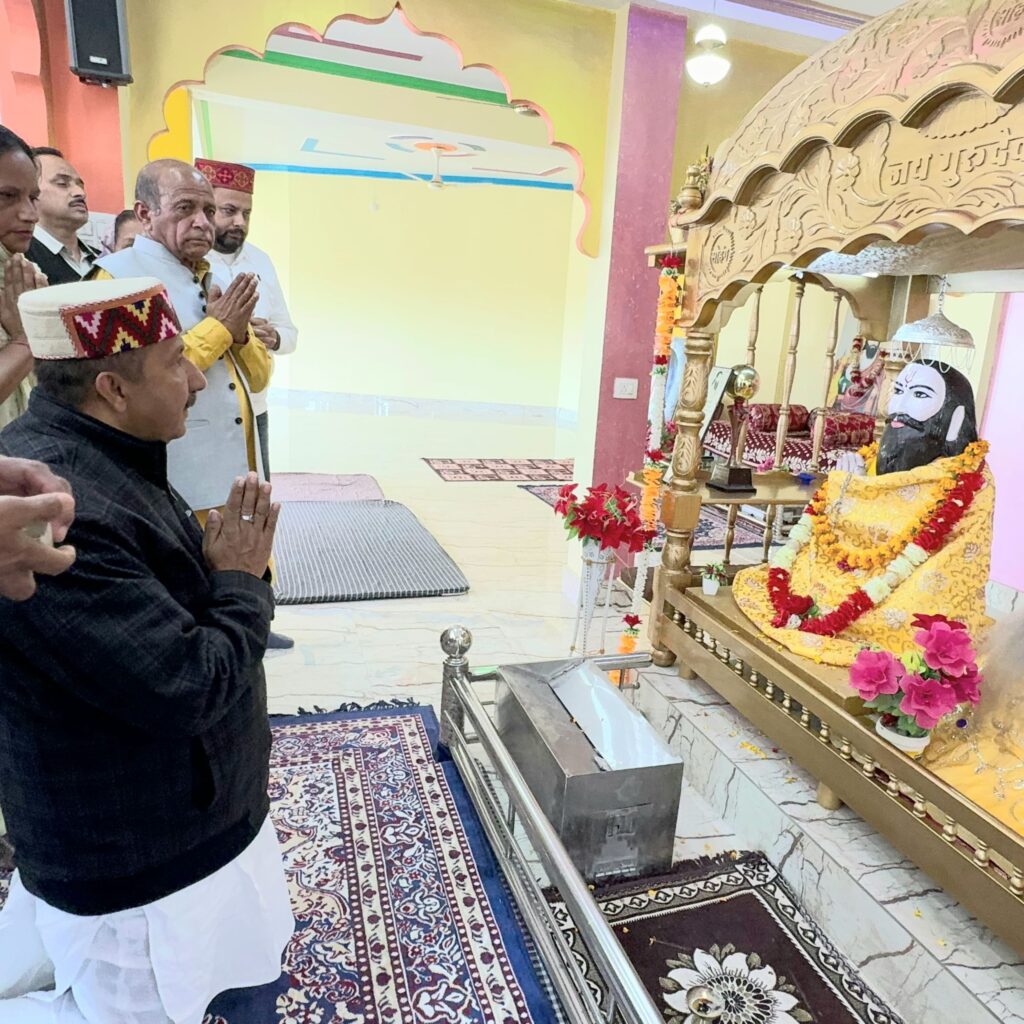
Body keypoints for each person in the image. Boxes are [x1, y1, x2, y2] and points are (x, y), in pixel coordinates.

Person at [0, 276, 293, 1023]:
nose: (196, 378)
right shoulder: (57, 510)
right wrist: (241, 579)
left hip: (178, 831)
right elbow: (186, 686)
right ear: (112, 389)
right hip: (140, 872)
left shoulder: (106, 456)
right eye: (175, 362)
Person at [94, 159, 294, 650]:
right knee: (187, 606)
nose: (204, 223)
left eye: (208, 210)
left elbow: (259, 376)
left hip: (230, 459)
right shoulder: (120, 279)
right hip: (172, 470)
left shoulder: (206, 278)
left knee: (233, 581)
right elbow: (139, 383)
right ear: (145, 213)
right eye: (186, 209)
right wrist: (220, 327)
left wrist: (239, 333)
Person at [733, 359, 994, 666]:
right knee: (804, 585)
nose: (899, 406)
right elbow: (850, 532)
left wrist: (857, 490)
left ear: (955, 417)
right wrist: (849, 487)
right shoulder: (874, 457)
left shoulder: (970, 478)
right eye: (899, 390)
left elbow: (915, 539)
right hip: (849, 579)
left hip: (914, 587)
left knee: (917, 631)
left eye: (920, 394)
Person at [198, 158, 298, 482]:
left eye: (247, 213)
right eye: (229, 211)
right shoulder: (189, 261)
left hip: (255, 408)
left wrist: (272, 338)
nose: (239, 222)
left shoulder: (261, 261)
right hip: (201, 412)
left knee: (256, 497)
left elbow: (289, 334)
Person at [0, 127, 48, 428]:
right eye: (7, 196)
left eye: (33, 198)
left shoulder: (23, 272)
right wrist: (26, 340)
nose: (30, 214)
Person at [26, 148, 98, 285]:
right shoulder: (21, 259)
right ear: (31, 190)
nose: (80, 193)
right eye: (62, 184)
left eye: (80, 185)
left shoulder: (103, 260)